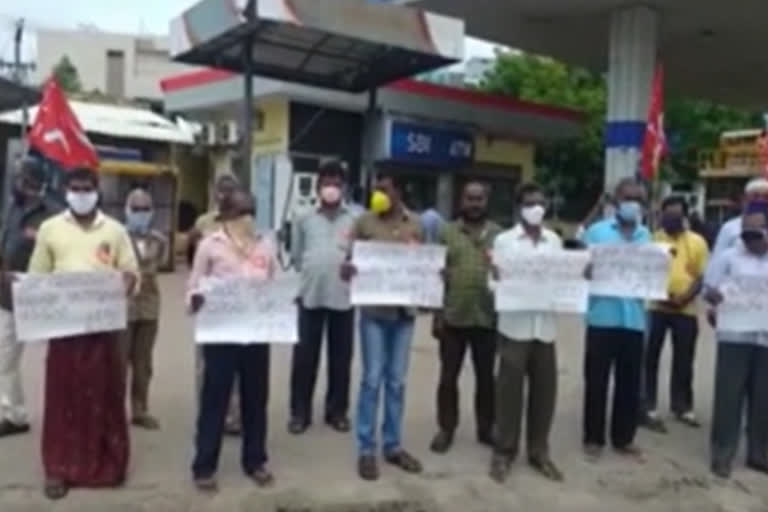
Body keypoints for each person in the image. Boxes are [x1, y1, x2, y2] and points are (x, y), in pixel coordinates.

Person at [28, 168, 139, 500]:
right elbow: (38, 277)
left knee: (105, 395)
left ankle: (108, 466)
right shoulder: (50, 230)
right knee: (63, 398)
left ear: (97, 191)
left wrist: (128, 282)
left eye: (86, 188)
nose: (80, 193)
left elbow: (131, 271)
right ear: (65, 191)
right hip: (64, 331)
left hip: (103, 329)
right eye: (75, 188)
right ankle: (59, 469)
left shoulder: (115, 231)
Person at [188, 189, 276, 491]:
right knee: (215, 400)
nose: (247, 218)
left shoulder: (266, 245)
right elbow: (193, 288)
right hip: (221, 335)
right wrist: (195, 300)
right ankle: (204, 465)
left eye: (251, 211)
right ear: (225, 215)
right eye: (241, 212)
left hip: (256, 334)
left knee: (256, 400)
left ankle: (255, 461)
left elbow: (275, 285)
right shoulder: (209, 246)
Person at [342, 173, 424, 481]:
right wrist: (347, 270)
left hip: (404, 314)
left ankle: (393, 445)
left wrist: (433, 278)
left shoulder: (416, 224)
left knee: (397, 382)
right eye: (376, 188)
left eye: (384, 189)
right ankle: (366, 449)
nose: (378, 193)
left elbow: (424, 265)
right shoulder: (364, 223)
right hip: (373, 313)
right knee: (372, 380)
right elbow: (349, 261)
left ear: (398, 191)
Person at [488, 183, 564, 483]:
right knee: (508, 393)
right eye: (531, 202)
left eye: (541, 202)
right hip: (514, 327)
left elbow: (562, 278)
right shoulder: (504, 241)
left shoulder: (555, 241)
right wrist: (497, 279)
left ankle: (539, 452)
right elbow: (491, 284)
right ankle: (504, 451)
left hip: (545, 328)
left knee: (545, 393)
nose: (537, 208)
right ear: (519, 207)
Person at [581, 178, 650, 461]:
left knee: (629, 382)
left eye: (638, 199)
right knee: (596, 381)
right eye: (627, 197)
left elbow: (651, 275)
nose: (632, 203)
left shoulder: (647, 236)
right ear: (616, 201)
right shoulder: (597, 233)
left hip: (634, 319)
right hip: (602, 316)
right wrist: (588, 269)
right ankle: (593, 438)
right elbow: (581, 271)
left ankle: (623, 438)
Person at [429, 181, 500, 454]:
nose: (474, 204)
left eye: (479, 199)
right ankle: (446, 429)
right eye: (470, 198)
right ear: (462, 200)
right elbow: (435, 276)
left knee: (486, 379)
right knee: (448, 378)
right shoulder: (446, 233)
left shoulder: (498, 235)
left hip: (487, 317)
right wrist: (437, 315)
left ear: (486, 201)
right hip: (453, 317)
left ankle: (486, 429)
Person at [288, 159, 356, 434]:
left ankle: (337, 412)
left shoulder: (354, 218)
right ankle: (299, 413)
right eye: (326, 183)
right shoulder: (303, 216)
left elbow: (360, 255)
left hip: (344, 297)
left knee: (341, 359)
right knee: (304, 358)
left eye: (336, 183)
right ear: (317, 186)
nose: (331, 188)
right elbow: (295, 256)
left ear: (344, 187)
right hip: (310, 295)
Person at [704, 201, 768, 478]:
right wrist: (714, 296)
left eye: (756, 232)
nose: (749, 238)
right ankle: (722, 453)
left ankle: (759, 453)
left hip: (765, 338)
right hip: (734, 334)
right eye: (745, 232)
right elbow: (709, 288)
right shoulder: (728, 257)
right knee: (729, 396)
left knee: (763, 397)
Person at [0, 158, 58, 438]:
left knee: (59, 360)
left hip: (43, 300)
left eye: (22, 178)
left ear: (34, 182)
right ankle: (14, 414)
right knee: (4, 357)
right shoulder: (12, 208)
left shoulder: (52, 215)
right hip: (8, 297)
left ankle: (69, 414)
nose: (17, 183)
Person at [641, 196, 708, 433]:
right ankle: (648, 405)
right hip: (656, 308)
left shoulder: (698, 242)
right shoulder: (652, 240)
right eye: (666, 215)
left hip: (686, 309)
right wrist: (660, 296)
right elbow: (646, 273)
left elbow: (701, 277)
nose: (671, 219)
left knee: (684, 359)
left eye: (676, 216)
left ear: (685, 216)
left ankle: (682, 406)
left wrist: (685, 298)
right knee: (650, 357)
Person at [189, 174, 241, 435]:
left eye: (230, 190)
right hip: (209, 305)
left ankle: (233, 417)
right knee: (205, 366)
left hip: (238, 305)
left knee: (236, 368)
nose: (225, 195)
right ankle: (208, 414)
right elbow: (194, 262)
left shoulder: (246, 225)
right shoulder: (203, 223)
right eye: (221, 190)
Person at [121, 188, 167, 430]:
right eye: (136, 208)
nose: (141, 213)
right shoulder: (117, 238)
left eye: (145, 209)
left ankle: (140, 409)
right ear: (127, 210)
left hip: (149, 306)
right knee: (119, 360)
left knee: (143, 363)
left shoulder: (160, 240)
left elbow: (158, 266)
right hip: (122, 307)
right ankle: (114, 409)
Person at [711, 178, 768, 257]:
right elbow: (717, 259)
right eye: (756, 196)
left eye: (766, 196)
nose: (761, 200)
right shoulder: (729, 228)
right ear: (746, 199)